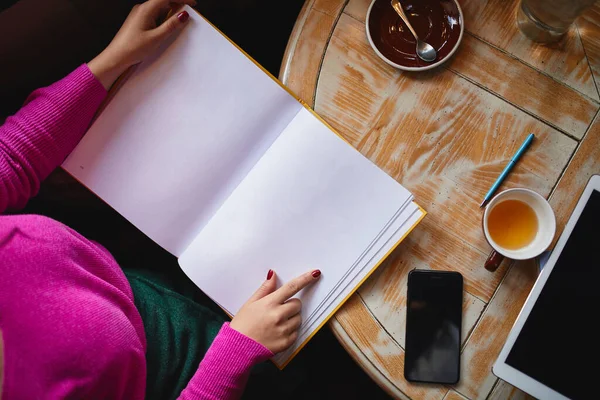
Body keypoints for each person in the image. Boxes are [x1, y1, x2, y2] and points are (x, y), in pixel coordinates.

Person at [0, 0, 321, 399]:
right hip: (178, 379)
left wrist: (115, 59)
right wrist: (234, 356)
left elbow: (10, 159)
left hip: (136, 291)